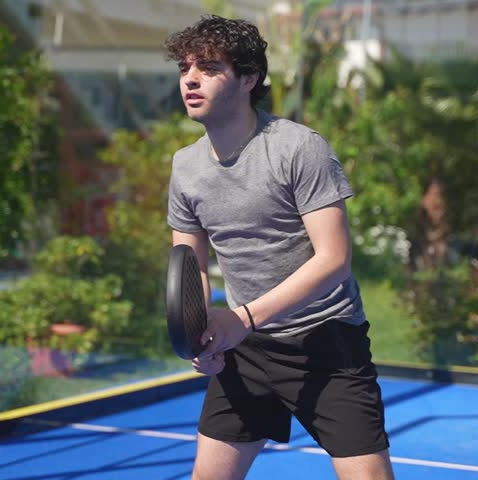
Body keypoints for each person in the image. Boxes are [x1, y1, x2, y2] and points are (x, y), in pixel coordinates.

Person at [164, 15, 395, 480]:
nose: (190, 78)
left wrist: (243, 318)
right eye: (185, 66)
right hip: (245, 350)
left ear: (249, 78)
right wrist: (201, 336)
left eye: (208, 67)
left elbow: (334, 260)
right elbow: (190, 268)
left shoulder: (298, 148)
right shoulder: (185, 167)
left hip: (326, 344)